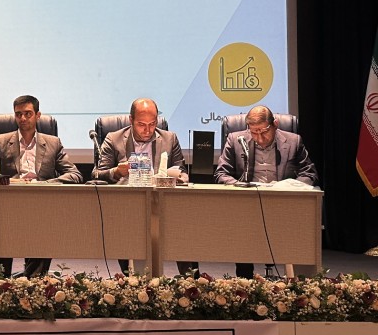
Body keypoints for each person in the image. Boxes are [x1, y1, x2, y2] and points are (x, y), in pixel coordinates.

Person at [93, 97, 194, 276]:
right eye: (141, 124)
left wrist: (172, 177)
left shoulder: (169, 139)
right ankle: (129, 279)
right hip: (127, 206)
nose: (147, 130)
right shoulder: (114, 139)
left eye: (152, 124)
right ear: (131, 120)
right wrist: (117, 171)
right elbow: (97, 174)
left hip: (162, 204)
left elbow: (183, 173)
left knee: (185, 227)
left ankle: (190, 279)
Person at [215, 105, 319, 278]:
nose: (259, 138)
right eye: (254, 132)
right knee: (241, 228)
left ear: (275, 124)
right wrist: (241, 187)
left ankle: (295, 280)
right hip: (248, 205)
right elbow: (221, 174)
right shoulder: (235, 140)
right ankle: (244, 280)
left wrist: (290, 187)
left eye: (264, 132)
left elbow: (309, 174)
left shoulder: (293, 141)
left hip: (283, 203)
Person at [0, 95, 82, 277]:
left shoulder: (53, 143)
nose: (23, 118)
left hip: (41, 205)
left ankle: (33, 281)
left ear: (38, 115)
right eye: (18, 114)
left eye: (28, 114)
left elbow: (74, 174)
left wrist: (43, 184)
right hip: (8, 204)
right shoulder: (1, 141)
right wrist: (8, 181)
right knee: (2, 239)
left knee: (44, 227)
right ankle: (1, 282)